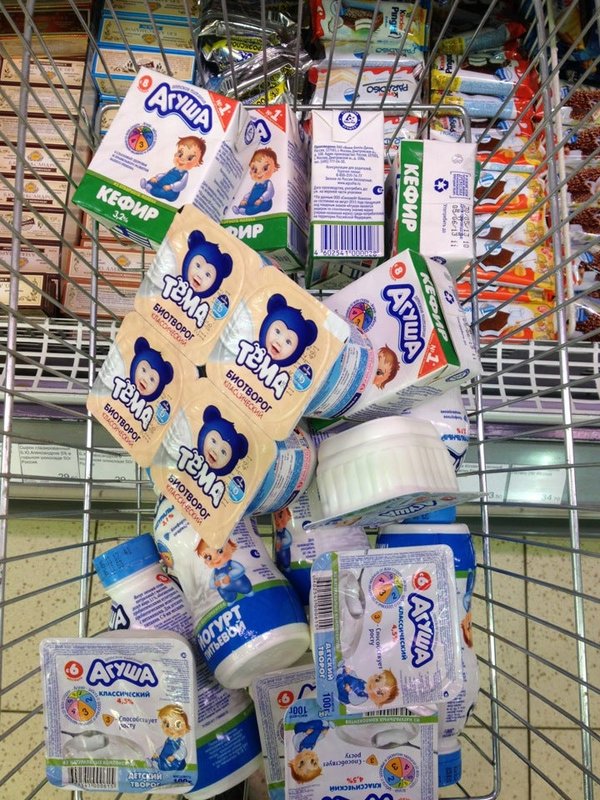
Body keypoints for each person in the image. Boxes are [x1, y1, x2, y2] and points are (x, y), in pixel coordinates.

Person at [140, 136, 206, 202]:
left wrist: (171, 186)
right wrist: (156, 178)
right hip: (162, 184)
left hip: (171, 192)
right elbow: (165, 174)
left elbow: (182, 184)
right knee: (153, 182)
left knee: (161, 192)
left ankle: (150, 189)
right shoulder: (174, 169)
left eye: (189, 158)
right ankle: (146, 184)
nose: (182, 159)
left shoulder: (185, 174)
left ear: (197, 163)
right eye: (180, 154)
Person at [196, 538, 253, 604]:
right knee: (225, 594)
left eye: (220, 551)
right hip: (225, 589)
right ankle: (230, 599)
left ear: (231, 547)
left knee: (245, 587)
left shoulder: (231, 563)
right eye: (208, 557)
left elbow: (240, 569)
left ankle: (247, 591)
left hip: (238, 583)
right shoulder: (215, 571)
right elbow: (211, 582)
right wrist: (214, 584)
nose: (215, 558)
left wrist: (229, 576)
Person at [232, 147, 279, 215]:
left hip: (265, 202)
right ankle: (239, 209)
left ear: (275, 168)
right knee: (246, 203)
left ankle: (245, 212)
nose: (259, 173)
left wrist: (261, 199)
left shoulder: (268, 183)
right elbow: (251, 193)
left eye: (265, 168)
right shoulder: (256, 184)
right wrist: (245, 199)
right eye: (254, 169)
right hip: (254, 201)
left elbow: (270, 192)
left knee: (256, 207)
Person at [152, 705, 190, 771]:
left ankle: (157, 765)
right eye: (165, 724)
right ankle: (154, 762)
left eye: (176, 724)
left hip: (174, 762)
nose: (170, 728)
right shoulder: (168, 739)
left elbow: (183, 751)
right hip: (165, 758)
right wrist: (157, 752)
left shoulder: (179, 741)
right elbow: (163, 747)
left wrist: (174, 756)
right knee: (159, 759)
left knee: (165, 764)